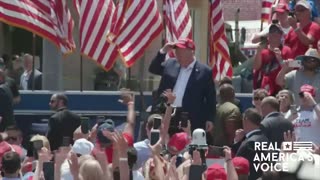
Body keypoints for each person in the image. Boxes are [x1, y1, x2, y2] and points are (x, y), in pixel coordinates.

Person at [148, 38, 216, 132]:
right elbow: (153, 69)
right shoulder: (170, 64)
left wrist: (210, 119)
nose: (177, 54)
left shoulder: (204, 72)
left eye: (181, 51)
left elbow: (210, 98)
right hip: (166, 113)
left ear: (191, 52)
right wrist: (163, 51)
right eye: (176, 51)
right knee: (162, 142)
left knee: (184, 143)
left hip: (188, 117)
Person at [253, 23, 293, 96]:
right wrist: (258, 52)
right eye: (272, 32)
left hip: (280, 87)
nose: (274, 34)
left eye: (277, 32)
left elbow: (292, 67)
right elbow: (256, 67)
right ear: (268, 36)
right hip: (264, 88)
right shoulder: (263, 51)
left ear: (281, 36)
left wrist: (280, 59)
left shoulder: (287, 50)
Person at [232, 108, 269, 180]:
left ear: (246, 120)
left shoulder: (249, 143)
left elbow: (249, 169)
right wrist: (237, 141)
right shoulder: (264, 138)